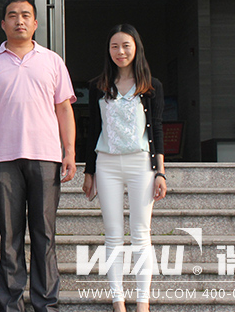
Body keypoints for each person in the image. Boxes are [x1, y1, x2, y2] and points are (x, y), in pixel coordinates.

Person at [0, 0, 77, 312]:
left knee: (44, 234)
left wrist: (69, 151)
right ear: (3, 24)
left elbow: (64, 109)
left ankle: (46, 304)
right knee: (9, 236)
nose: (20, 21)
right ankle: (11, 305)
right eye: (13, 16)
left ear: (35, 24)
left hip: (45, 156)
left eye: (26, 16)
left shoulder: (52, 61)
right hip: (2, 159)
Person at [81, 24, 166, 312]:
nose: (120, 52)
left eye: (126, 45)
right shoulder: (99, 86)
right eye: (115, 46)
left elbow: (157, 130)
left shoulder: (151, 86)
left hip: (141, 163)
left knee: (141, 233)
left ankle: (142, 302)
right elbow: (93, 131)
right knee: (113, 234)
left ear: (136, 48)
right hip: (107, 163)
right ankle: (118, 301)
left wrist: (160, 172)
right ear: (108, 50)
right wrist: (89, 172)